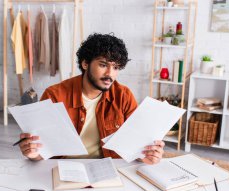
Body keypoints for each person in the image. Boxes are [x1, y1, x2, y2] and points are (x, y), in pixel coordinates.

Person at [19, 33, 164, 164]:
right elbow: (42, 151)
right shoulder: (55, 95)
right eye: (103, 65)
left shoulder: (123, 96)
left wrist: (147, 154)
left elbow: (135, 144)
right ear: (85, 64)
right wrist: (33, 153)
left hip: (108, 166)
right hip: (64, 167)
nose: (110, 74)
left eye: (116, 67)